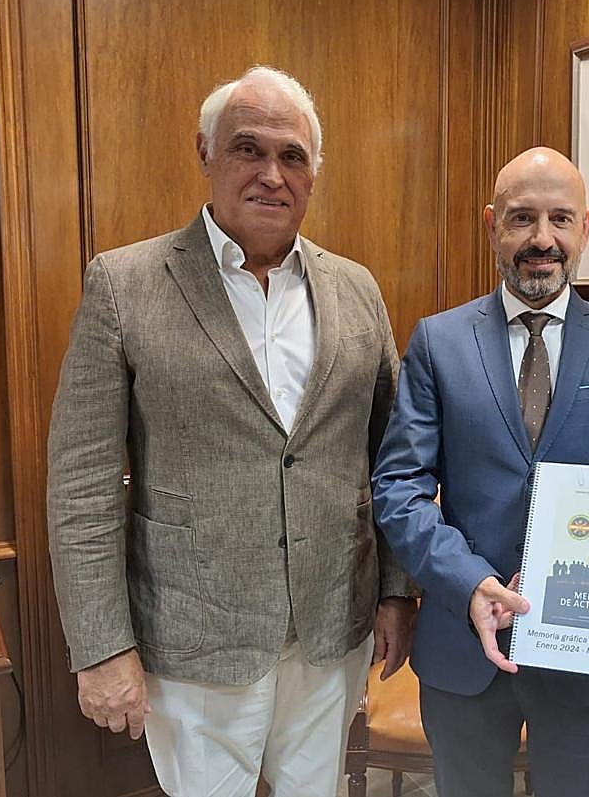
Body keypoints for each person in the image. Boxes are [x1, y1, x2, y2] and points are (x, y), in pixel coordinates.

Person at [46, 65, 416, 797]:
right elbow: (81, 483)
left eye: (292, 156)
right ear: (206, 153)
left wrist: (397, 592)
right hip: (193, 638)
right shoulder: (124, 284)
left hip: (330, 629)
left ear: (313, 174)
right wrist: (101, 645)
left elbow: (393, 457)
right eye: (249, 149)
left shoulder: (357, 289)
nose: (271, 175)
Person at [372, 147, 589, 797]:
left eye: (560, 219)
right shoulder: (438, 341)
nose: (542, 239)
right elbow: (399, 487)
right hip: (465, 647)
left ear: (587, 227)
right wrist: (468, 581)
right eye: (522, 218)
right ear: (492, 224)